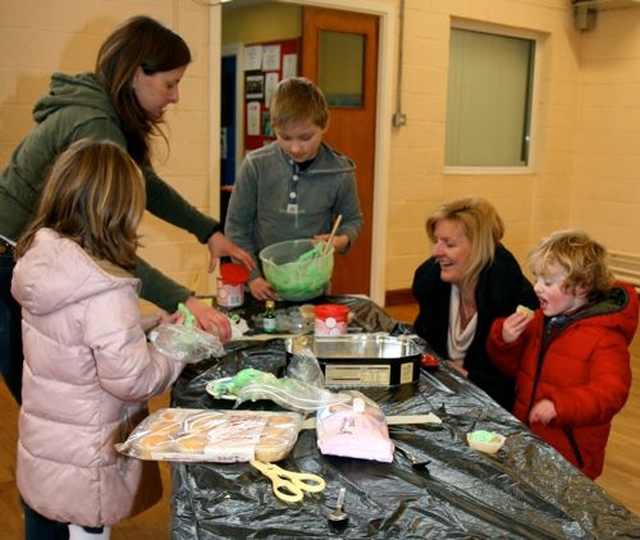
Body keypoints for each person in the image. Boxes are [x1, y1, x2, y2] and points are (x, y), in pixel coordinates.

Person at [0, 15, 254, 404]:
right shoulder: (96, 125)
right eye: (171, 84)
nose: (175, 97)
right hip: (9, 260)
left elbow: (144, 183)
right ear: (137, 74)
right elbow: (101, 248)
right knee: (52, 400)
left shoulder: (103, 113)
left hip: (24, 254)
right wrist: (182, 299)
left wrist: (207, 230)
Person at [12, 139, 191, 539]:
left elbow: (77, 336)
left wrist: (147, 323)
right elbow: (133, 379)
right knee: (89, 531)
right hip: (89, 456)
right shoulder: (106, 290)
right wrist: (175, 346)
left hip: (53, 446)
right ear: (117, 214)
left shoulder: (46, 265)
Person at [487, 230, 638, 479]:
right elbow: (512, 369)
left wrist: (561, 405)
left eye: (547, 282)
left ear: (581, 288)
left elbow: (611, 393)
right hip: (529, 440)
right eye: (536, 278)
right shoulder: (540, 322)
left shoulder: (605, 338)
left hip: (571, 455)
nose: (536, 288)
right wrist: (504, 340)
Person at [224, 76, 364, 300]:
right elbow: (236, 228)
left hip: (314, 287)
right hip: (262, 289)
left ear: (324, 124)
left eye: (306, 137)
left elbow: (353, 219)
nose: (296, 148)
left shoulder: (340, 171)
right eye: (285, 137)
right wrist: (252, 277)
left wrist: (341, 240)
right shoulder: (256, 165)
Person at [412, 197, 538, 410]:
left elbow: (517, 384)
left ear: (480, 248)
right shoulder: (432, 286)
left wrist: (466, 377)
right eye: (436, 241)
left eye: (449, 244)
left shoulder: (518, 302)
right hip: (441, 398)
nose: (436, 252)